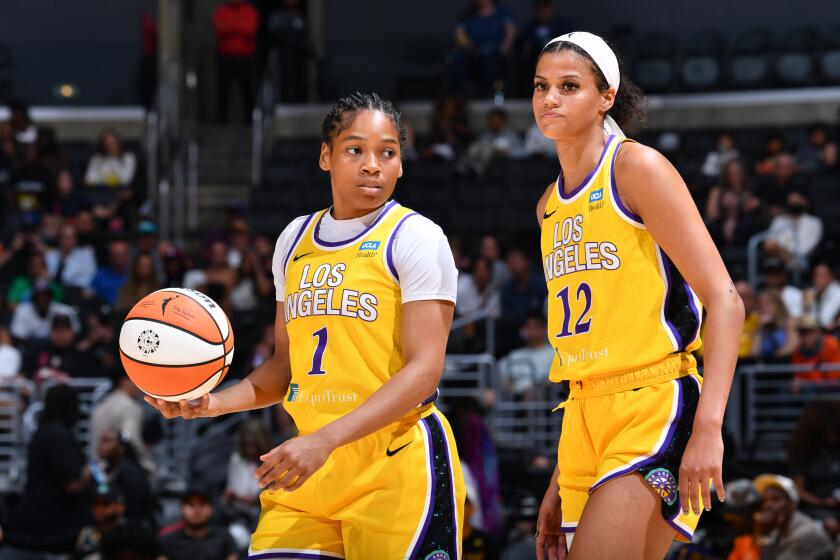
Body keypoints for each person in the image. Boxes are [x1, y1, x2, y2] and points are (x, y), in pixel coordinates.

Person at [146, 92, 466, 558]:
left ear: (401, 165)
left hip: (394, 465)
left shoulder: (416, 237)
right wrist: (210, 403)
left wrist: (324, 441)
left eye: (388, 152)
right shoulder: (294, 240)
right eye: (356, 149)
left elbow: (423, 373)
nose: (373, 164)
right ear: (326, 157)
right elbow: (284, 366)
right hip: (310, 465)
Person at [531, 32, 744, 558]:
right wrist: (561, 475)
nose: (549, 99)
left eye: (569, 86)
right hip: (581, 417)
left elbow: (726, 300)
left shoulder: (636, 169)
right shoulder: (546, 207)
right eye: (541, 86)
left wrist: (710, 428)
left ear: (606, 97)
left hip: (653, 403)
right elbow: (588, 339)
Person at [1, 384, 91, 555]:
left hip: (43, 516)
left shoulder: (45, 430)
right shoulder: (58, 435)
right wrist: (89, 470)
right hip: (52, 521)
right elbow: (73, 484)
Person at [787, 401, 840, 540]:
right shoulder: (803, 451)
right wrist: (822, 502)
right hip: (815, 507)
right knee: (831, 525)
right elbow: (798, 490)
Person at [752, 474, 835, 560]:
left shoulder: (805, 533)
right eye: (765, 500)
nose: (768, 505)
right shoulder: (776, 527)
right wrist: (764, 534)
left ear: (792, 503)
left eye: (775, 499)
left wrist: (764, 536)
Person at [90, 375, 154, 475]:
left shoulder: (103, 404)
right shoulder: (130, 407)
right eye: (137, 382)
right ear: (124, 381)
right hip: (121, 470)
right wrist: (145, 462)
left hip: (98, 467)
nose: (140, 388)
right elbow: (131, 438)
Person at [452, 0, 517, 97]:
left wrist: (505, 47)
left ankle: (488, 93)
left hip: (495, 52)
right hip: (474, 51)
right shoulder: (469, 14)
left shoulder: (502, 13)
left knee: (490, 57)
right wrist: (468, 44)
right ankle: (460, 95)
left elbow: (511, 31)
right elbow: (459, 33)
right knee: (458, 57)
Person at [96, 428, 156, 529]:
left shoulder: (132, 473)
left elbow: (136, 510)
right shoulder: (106, 470)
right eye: (101, 441)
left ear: (121, 448)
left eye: (107, 441)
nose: (101, 446)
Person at [160, 487, 237, 560]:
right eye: (191, 504)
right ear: (182, 508)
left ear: (211, 508)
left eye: (202, 504)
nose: (197, 510)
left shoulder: (224, 539)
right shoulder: (169, 541)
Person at [213, 0, 259, 123]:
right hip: (225, 57)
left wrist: (230, 27)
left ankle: (250, 123)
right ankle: (221, 123)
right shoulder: (221, 11)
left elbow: (249, 30)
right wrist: (239, 27)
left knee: (247, 91)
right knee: (223, 92)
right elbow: (219, 28)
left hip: (245, 57)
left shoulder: (250, 11)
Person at [763, 191, 823, 271]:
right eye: (791, 202)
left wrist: (786, 250)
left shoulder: (814, 222)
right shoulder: (779, 220)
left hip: (802, 258)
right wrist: (783, 251)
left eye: (796, 202)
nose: (794, 204)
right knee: (769, 245)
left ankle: (793, 266)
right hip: (778, 257)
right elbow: (770, 240)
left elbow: (808, 248)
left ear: (805, 202)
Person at [498, 313, 554, 398]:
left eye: (536, 327)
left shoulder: (553, 353)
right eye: (528, 327)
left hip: (543, 400)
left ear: (545, 329)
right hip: (514, 400)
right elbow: (501, 373)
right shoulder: (515, 354)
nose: (532, 331)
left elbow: (556, 381)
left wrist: (538, 388)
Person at [10, 280, 79, 341]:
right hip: (30, 349)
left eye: (45, 296)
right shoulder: (22, 310)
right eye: (39, 297)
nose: (42, 300)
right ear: (33, 298)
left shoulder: (64, 311)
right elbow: (19, 337)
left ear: (51, 297)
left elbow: (74, 332)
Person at [75, 486, 128, 560]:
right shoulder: (86, 532)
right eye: (94, 503)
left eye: (105, 503)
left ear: (120, 507)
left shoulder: (129, 533)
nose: (98, 508)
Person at [790, 314, 840, 389]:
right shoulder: (797, 352)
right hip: (811, 391)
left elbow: (834, 377)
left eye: (809, 331)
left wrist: (805, 382)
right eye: (801, 331)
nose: (805, 335)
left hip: (832, 390)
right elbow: (800, 376)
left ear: (818, 332)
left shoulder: (831, 345)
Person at [45, 223, 98, 291]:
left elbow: (90, 277)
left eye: (71, 238)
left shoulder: (86, 255)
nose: (68, 241)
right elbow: (46, 276)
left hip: (76, 291)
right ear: (59, 239)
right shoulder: (49, 255)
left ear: (76, 240)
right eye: (65, 238)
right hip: (52, 291)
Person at [752, 289, 798, 360]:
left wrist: (773, 358)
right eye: (760, 304)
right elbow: (753, 354)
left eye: (766, 304)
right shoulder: (760, 326)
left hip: (784, 364)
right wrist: (759, 329)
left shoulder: (789, 322)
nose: (763, 308)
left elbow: (792, 346)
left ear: (777, 305)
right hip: (766, 367)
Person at [90, 239, 131, 306]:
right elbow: (89, 295)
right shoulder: (100, 275)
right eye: (115, 254)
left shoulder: (134, 276)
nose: (118, 257)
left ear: (128, 256)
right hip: (104, 313)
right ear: (110, 256)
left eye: (121, 254)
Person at [807, 262, 840, 330]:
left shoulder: (837, 291)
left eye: (822, 275)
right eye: (816, 275)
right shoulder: (810, 292)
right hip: (815, 330)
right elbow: (807, 317)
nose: (818, 278)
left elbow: (825, 319)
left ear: (831, 277)